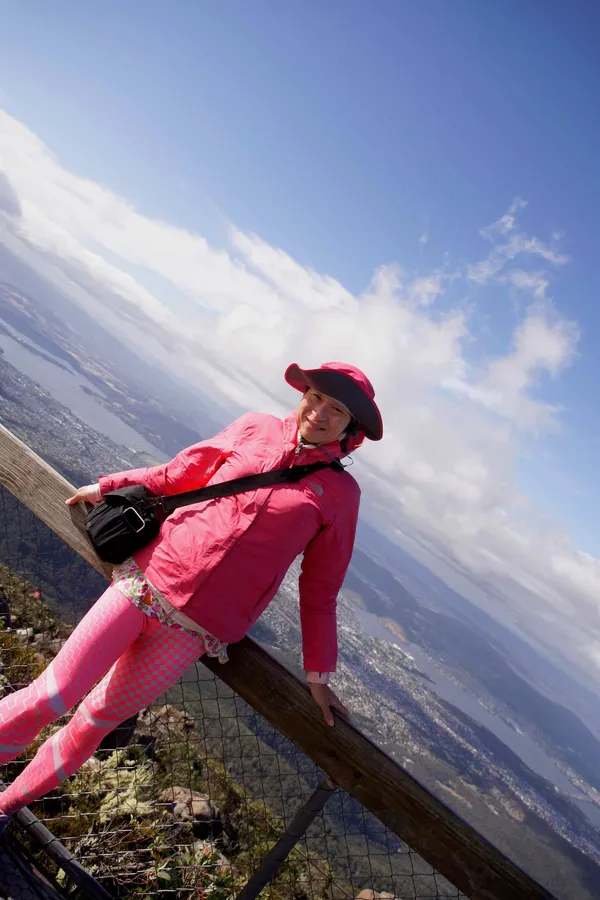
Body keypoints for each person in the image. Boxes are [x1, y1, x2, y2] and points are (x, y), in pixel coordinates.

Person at [0, 361, 383, 833]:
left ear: (353, 429)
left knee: (94, 722)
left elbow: (321, 588)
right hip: (146, 583)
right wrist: (108, 487)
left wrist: (318, 674)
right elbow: (181, 472)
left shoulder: (341, 495)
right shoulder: (255, 428)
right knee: (52, 696)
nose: (320, 412)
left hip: (193, 631)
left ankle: (5, 807)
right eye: (317, 397)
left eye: (337, 410)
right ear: (303, 394)